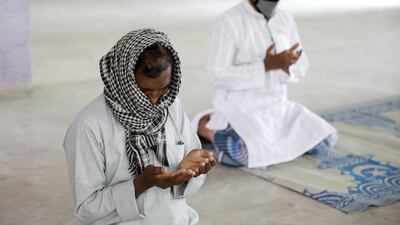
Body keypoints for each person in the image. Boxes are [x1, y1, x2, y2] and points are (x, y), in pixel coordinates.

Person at [63, 29, 216, 225]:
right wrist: (141, 183)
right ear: (123, 79)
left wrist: (190, 170)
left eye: (163, 89)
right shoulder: (88, 127)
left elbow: (186, 179)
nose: (154, 100)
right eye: (144, 90)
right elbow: (86, 210)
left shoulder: (170, 104)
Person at [195, 0, 338, 168]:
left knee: (324, 139)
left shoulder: (285, 19)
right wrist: (265, 66)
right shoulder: (227, 22)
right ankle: (206, 128)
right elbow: (216, 75)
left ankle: (228, 131)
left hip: (277, 107)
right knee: (243, 155)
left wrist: (287, 65)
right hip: (241, 109)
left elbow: (302, 65)